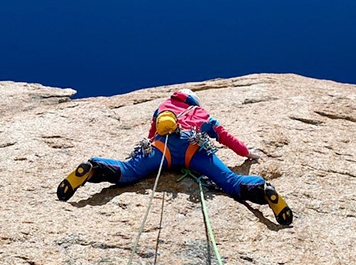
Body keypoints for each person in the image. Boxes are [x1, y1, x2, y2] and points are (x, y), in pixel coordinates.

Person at [56, 89, 293, 225]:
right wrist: (246, 153)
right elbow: (223, 136)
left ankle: (94, 167)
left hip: (162, 148)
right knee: (230, 181)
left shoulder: (162, 109)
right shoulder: (200, 112)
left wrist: (146, 151)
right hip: (195, 149)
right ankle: (261, 189)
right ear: (192, 101)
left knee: (129, 172)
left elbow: (151, 136)